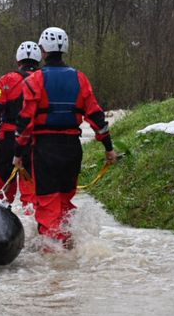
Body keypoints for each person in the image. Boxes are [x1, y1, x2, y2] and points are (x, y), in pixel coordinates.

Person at [14, 27, 117, 249]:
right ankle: (69, 250)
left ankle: (54, 266)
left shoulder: (35, 80)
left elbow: (25, 122)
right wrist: (108, 148)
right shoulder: (80, 78)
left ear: (43, 51)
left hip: (45, 149)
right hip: (72, 149)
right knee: (64, 202)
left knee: (48, 205)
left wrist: (18, 153)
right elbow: (97, 116)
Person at [0, 41, 41, 206]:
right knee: (32, 195)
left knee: (2, 193)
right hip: (35, 142)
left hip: (7, 142)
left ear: (18, 61)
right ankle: (33, 228)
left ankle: (3, 226)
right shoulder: (44, 79)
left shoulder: (7, 80)